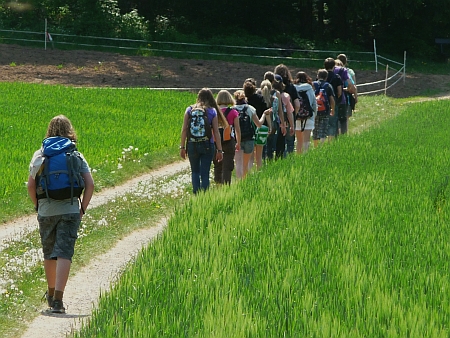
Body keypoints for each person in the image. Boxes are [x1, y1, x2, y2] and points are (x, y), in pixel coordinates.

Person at [27, 115, 95, 314]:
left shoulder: (40, 154)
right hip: (70, 209)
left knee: (49, 253)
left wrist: (38, 205)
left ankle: (49, 293)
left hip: (47, 209)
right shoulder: (75, 154)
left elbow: (31, 186)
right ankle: (58, 299)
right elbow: (90, 184)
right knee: (64, 252)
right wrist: (82, 209)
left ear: (49, 131)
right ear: (70, 131)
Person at [180, 88, 226, 193]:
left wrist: (182, 147)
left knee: (195, 172)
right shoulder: (212, 111)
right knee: (205, 173)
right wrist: (219, 150)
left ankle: (196, 195)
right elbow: (216, 132)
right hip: (207, 144)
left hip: (192, 144)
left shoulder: (189, 110)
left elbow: (184, 130)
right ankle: (204, 197)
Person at [233, 89, 270, 179]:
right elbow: (259, 124)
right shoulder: (250, 108)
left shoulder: (233, 109)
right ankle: (245, 181)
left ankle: (238, 183)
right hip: (249, 139)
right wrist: (264, 114)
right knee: (246, 164)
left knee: (238, 163)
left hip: (237, 140)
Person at [213, 90, 241, 185]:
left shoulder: (214, 112)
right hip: (229, 141)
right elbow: (237, 129)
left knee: (217, 165)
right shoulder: (233, 112)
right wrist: (238, 142)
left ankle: (218, 185)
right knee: (227, 166)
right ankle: (226, 186)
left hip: (216, 141)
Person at [244, 78, 271, 171]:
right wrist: (269, 127)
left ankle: (249, 173)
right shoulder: (260, 98)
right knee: (259, 155)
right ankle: (259, 172)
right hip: (260, 127)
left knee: (250, 155)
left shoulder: (244, 101)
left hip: (248, 130)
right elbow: (266, 112)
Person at [274, 64, 299, 155]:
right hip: (288, 118)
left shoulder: (271, 89)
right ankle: (289, 160)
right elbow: (297, 104)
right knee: (290, 141)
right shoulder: (291, 87)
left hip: (275, 120)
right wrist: (293, 115)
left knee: (277, 144)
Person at [294, 71, 317, 153]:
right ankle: (305, 156)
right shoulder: (309, 88)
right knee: (306, 139)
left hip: (297, 116)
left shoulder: (293, 88)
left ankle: (298, 156)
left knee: (299, 139)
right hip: (308, 116)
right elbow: (314, 103)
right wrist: (314, 115)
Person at [273, 74, 294, 159]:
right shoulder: (285, 96)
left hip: (270, 123)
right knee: (280, 147)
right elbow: (289, 112)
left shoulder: (267, 94)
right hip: (282, 124)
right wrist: (292, 125)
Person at [313, 69, 335, 146]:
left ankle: (315, 146)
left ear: (317, 76)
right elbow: (332, 99)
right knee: (323, 128)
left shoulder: (313, 85)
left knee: (315, 129)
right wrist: (333, 109)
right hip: (325, 111)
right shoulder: (328, 85)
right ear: (326, 77)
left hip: (314, 110)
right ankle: (321, 146)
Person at [336, 54, 358, 133]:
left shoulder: (333, 70)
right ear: (346, 61)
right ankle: (344, 134)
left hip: (335, 98)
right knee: (346, 118)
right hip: (346, 97)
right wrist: (356, 97)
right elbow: (353, 85)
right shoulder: (349, 71)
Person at [324, 58, 343, 141]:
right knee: (332, 122)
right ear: (333, 66)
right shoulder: (337, 77)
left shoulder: (321, 76)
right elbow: (339, 92)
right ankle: (330, 141)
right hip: (333, 102)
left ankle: (321, 140)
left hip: (322, 102)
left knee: (322, 122)